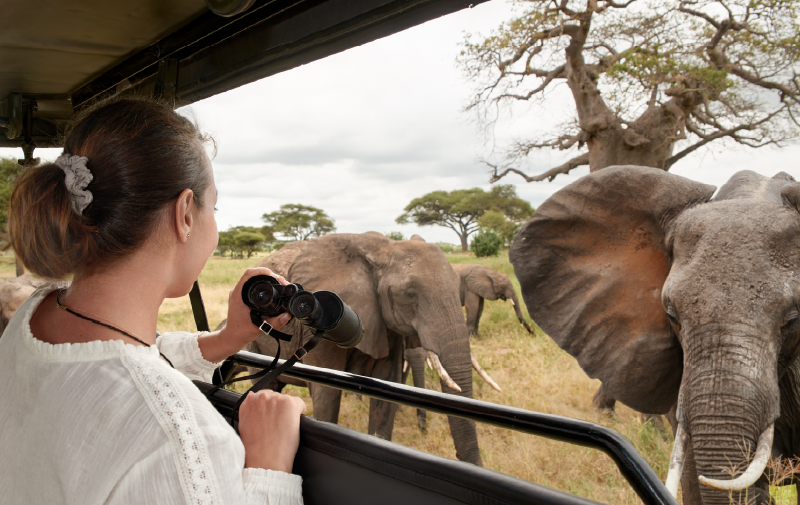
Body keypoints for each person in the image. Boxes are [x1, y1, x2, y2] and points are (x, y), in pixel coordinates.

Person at [0, 97, 307, 504]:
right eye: (213, 208)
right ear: (184, 213)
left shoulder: (34, 314)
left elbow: (112, 364)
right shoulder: (182, 439)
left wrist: (223, 339)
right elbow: (131, 380)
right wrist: (269, 468)